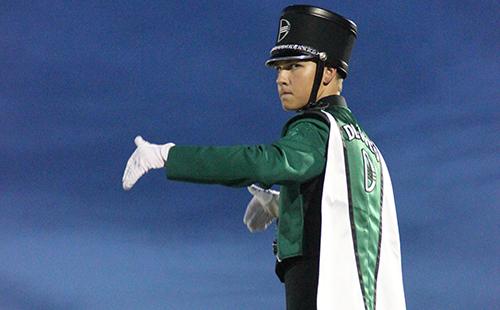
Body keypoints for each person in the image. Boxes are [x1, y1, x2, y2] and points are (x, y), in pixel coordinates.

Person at [122, 5, 406, 310]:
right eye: (279, 68)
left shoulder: (317, 128)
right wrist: (287, 207)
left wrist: (169, 155)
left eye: (294, 66)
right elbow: (349, 222)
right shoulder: (362, 143)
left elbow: (261, 162)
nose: (281, 79)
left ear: (330, 72)